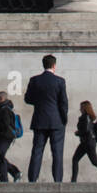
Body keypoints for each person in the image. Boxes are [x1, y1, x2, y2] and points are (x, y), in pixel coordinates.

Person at [24, 54, 68, 183]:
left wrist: (39, 102)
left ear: (43, 65)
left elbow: (28, 99)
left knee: (37, 151)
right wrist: (63, 119)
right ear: (54, 65)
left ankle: (32, 179)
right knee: (57, 153)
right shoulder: (60, 81)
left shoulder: (34, 80)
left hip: (39, 120)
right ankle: (58, 179)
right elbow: (63, 102)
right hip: (56, 121)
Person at [0, 91, 22, 183]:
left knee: (0, 157)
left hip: (5, 136)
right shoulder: (4, 108)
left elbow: (5, 124)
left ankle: (6, 178)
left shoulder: (4, 110)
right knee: (0, 156)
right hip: (4, 136)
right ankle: (14, 173)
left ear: (1, 98)